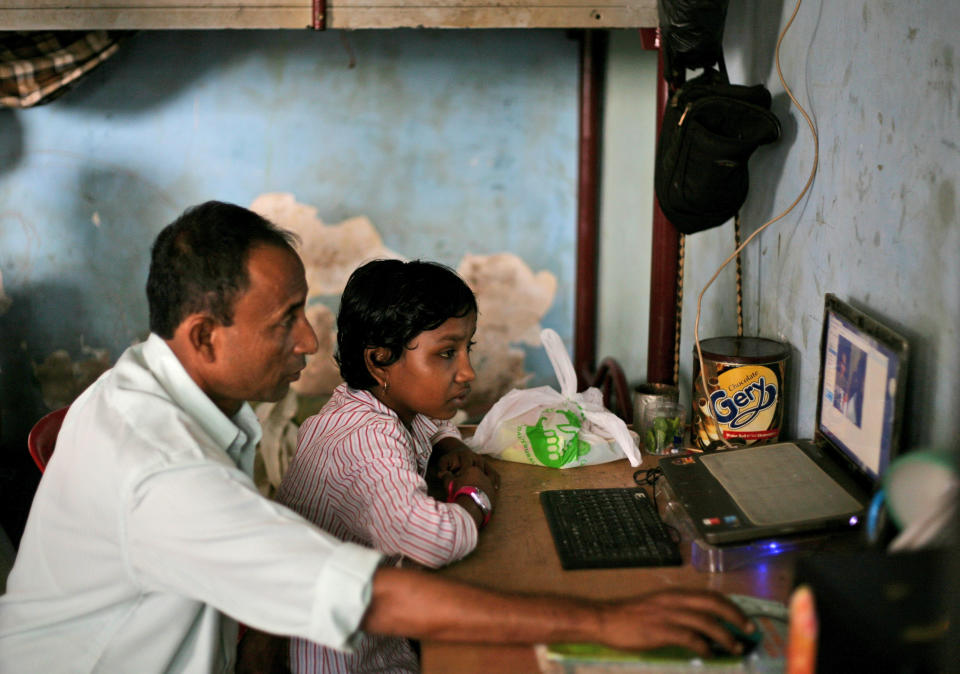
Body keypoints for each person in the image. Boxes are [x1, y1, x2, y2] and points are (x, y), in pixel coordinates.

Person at [0, 201, 754, 673]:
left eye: (305, 308)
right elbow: (371, 600)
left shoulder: (144, 382)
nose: (306, 340)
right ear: (202, 335)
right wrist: (608, 621)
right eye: (283, 321)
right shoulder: (160, 477)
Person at [276, 259, 499, 673]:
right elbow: (431, 541)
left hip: (371, 634)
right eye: (447, 353)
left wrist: (449, 442)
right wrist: (476, 493)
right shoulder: (368, 440)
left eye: (469, 348)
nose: (467, 371)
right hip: (343, 659)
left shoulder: (366, 402)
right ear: (380, 361)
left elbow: (431, 418)